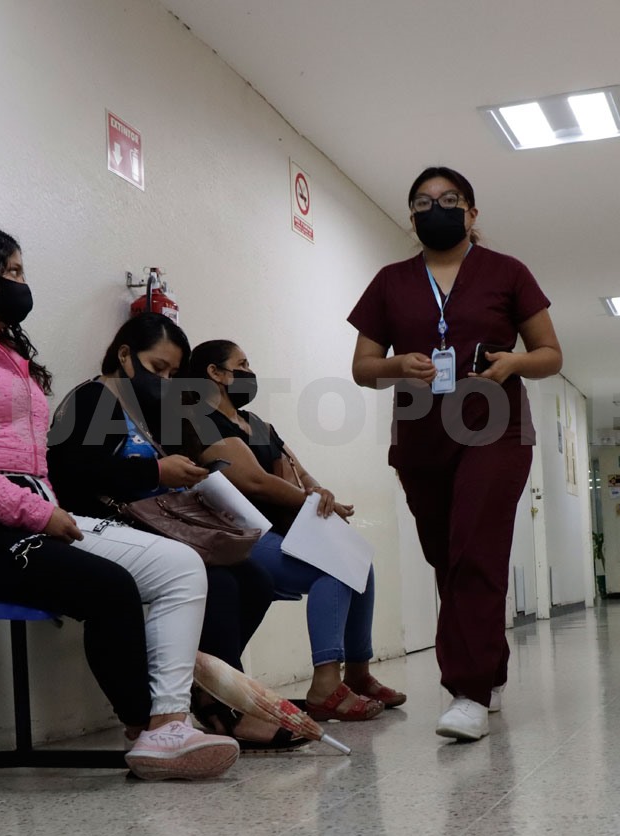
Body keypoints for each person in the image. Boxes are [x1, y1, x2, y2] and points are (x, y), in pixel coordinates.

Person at [0, 226, 238, 780]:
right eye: (13, 271)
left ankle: (169, 722)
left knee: (182, 566)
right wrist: (37, 512)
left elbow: (31, 460)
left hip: (27, 517)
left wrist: (44, 509)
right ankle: (144, 729)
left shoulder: (7, 353)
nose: (23, 284)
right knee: (109, 586)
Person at [348, 166, 563, 741]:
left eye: (449, 199)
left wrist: (514, 362)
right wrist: (398, 364)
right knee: (446, 557)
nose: (435, 208)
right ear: (411, 216)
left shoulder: (507, 272)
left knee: (475, 550)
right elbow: (363, 367)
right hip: (421, 434)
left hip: (495, 427)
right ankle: (489, 669)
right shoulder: (390, 281)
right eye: (422, 202)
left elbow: (550, 354)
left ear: (471, 212)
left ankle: (466, 691)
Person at [46, 313, 304, 752]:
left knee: (255, 581)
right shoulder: (93, 400)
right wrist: (155, 472)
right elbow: (71, 476)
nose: (165, 380)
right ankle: (223, 708)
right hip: (103, 525)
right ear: (124, 355)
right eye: (157, 368)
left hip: (160, 525)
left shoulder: (157, 408)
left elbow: (182, 459)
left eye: (173, 373)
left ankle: (206, 685)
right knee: (220, 583)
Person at [181, 340, 403, 723]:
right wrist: (307, 498)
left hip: (282, 530)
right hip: (240, 535)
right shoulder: (200, 421)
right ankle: (325, 687)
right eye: (241, 364)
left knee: (359, 565)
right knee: (333, 570)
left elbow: (298, 472)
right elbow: (255, 481)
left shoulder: (257, 425)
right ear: (215, 373)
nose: (249, 372)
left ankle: (358, 673)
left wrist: (320, 493)